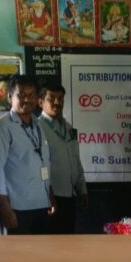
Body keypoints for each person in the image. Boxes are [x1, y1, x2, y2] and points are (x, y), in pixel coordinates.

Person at [0, 74, 55, 234]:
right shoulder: (2, 128)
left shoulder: (38, 125)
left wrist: (50, 196)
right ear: (9, 97)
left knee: (43, 250)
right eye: (21, 95)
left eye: (31, 95)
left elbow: (43, 162)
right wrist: (5, 208)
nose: (27, 99)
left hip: (42, 205)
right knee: (18, 251)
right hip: (16, 209)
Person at [37, 83, 88, 234]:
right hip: (50, 197)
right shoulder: (37, 128)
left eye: (60, 98)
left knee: (69, 241)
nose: (57, 102)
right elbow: (39, 165)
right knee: (51, 242)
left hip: (70, 196)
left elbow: (75, 159)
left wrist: (82, 189)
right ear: (40, 102)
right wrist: (48, 194)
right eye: (51, 98)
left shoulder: (69, 128)